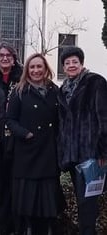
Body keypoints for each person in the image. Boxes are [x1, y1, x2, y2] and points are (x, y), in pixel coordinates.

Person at [6, 53, 64, 234]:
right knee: (27, 201)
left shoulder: (54, 90)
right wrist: (25, 134)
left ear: (46, 68)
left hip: (48, 152)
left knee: (47, 201)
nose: (36, 70)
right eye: (32, 67)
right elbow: (9, 119)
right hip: (27, 153)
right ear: (27, 70)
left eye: (39, 67)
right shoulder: (19, 91)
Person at [57, 46, 107, 235]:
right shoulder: (63, 89)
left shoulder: (95, 82)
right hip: (71, 156)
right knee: (81, 200)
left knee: (88, 202)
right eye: (67, 63)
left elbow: (104, 117)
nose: (71, 65)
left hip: (90, 153)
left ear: (81, 63)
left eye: (74, 62)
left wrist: (103, 151)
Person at [0, 42, 23, 235]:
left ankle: (18, 227)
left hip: (17, 142)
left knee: (16, 187)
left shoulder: (22, 78)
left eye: (8, 55)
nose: (4, 58)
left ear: (14, 57)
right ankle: (4, 228)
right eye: (1, 55)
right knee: (1, 189)